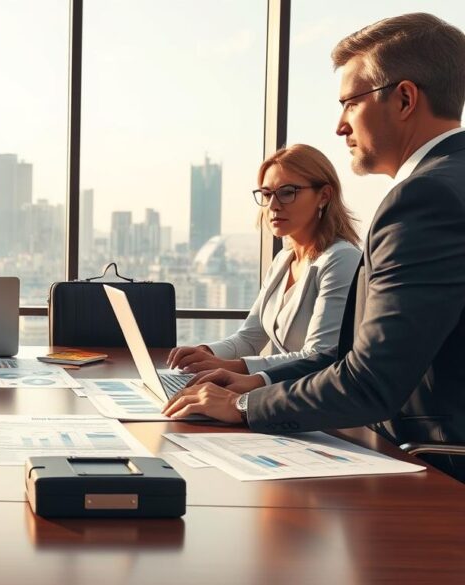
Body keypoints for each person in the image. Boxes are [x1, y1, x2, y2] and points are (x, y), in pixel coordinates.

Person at [163, 13, 465, 481]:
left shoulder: (424, 199)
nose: (340, 126)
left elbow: (372, 382)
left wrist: (243, 404)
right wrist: (254, 381)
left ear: (404, 98)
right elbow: (356, 356)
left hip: (435, 469)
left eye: (350, 103)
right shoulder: (449, 183)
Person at [167, 144, 361, 375]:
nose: (273, 205)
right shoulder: (283, 260)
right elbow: (249, 338)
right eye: (267, 194)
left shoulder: (341, 259)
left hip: (318, 402)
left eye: (288, 192)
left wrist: (230, 368)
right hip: (283, 392)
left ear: (324, 196)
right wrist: (205, 352)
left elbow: (319, 356)